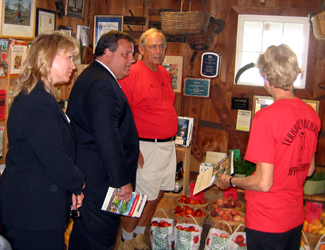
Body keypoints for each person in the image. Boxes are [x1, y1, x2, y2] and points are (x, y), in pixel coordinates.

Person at [216, 44, 320, 249]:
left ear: (265, 75)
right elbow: (309, 169)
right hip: (295, 218)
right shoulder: (311, 114)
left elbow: (264, 183)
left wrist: (230, 180)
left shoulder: (266, 117)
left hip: (267, 220)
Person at [0, 31, 85, 250]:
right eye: (68, 57)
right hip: (31, 214)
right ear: (48, 57)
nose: (73, 66)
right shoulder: (37, 102)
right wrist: (78, 183)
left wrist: (71, 189)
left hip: (35, 209)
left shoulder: (41, 97)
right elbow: (54, 159)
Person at [66, 30, 139, 250]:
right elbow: (106, 138)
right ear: (108, 52)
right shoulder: (101, 84)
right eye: (126, 54)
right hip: (101, 182)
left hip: (94, 175)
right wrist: (122, 182)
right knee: (99, 238)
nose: (132, 60)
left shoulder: (98, 76)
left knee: (87, 237)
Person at [118, 28, 178, 250]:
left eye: (161, 46)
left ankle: (139, 236)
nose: (158, 51)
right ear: (141, 49)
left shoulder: (163, 72)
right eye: (153, 46)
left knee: (158, 193)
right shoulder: (132, 73)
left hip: (167, 145)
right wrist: (131, 148)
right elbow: (121, 115)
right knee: (138, 197)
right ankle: (125, 239)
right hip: (144, 146)